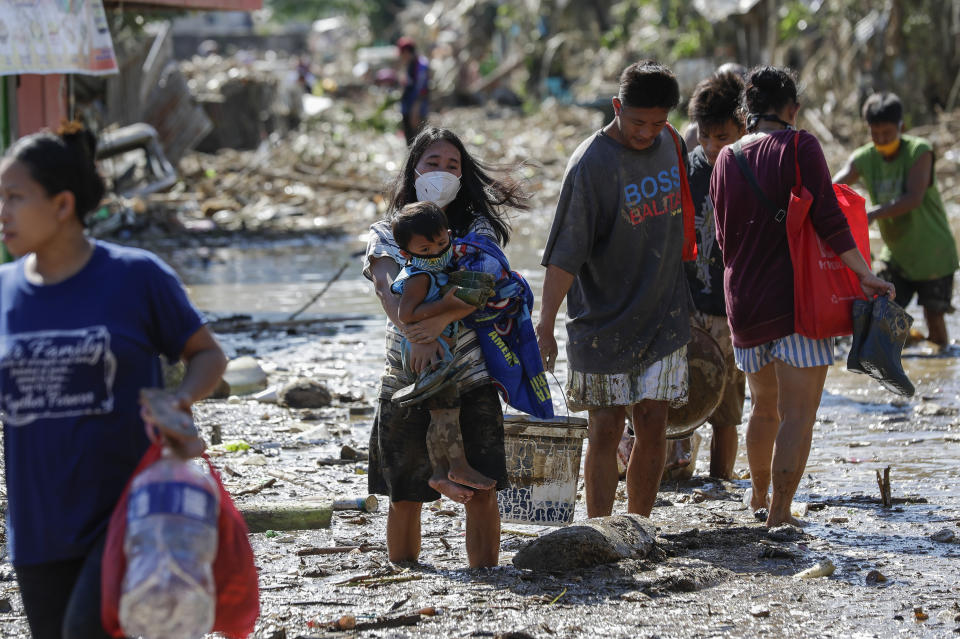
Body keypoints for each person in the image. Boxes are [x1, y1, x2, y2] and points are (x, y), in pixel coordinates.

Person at [0, 125, 227, 638]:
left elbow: (207, 354)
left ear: (62, 205)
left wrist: (179, 398)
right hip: (37, 527)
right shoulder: (5, 292)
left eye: (15, 197)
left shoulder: (134, 277)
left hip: (130, 514)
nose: (3, 212)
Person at [710, 67, 894, 527]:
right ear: (791, 108)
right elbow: (830, 220)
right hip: (796, 304)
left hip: (743, 304)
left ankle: (756, 496)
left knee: (763, 407)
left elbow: (722, 238)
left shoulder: (725, 158)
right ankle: (778, 513)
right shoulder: (799, 145)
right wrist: (865, 275)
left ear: (747, 111)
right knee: (799, 414)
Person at [537, 60, 696, 518]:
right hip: (601, 322)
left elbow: (684, 226)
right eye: (637, 122)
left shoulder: (673, 143)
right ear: (616, 107)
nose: (648, 132)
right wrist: (545, 324)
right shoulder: (590, 164)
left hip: (664, 315)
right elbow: (564, 254)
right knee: (604, 429)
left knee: (654, 425)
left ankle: (639, 527)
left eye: (658, 122)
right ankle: (601, 529)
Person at [363, 126, 527, 568]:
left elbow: (484, 285)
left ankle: (487, 574)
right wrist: (419, 332)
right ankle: (403, 571)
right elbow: (385, 288)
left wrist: (430, 326)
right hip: (404, 377)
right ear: (413, 170)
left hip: (471, 373)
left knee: (482, 483)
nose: (441, 172)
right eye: (432, 163)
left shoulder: (475, 232)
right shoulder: (386, 231)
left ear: (463, 175)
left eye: (452, 165)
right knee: (404, 490)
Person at [667, 69, 749, 481]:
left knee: (727, 410)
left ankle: (720, 481)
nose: (713, 147)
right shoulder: (687, 165)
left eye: (723, 138)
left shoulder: (752, 170)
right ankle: (676, 471)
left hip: (731, 311)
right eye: (705, 136)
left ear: (743, 127)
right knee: (675, 400)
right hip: (688, 304)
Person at [389, 201, 497, 498]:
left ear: (449, 234)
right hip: (427, 354)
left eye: (441, 243)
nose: (436, 253)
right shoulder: (420, 276)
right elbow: (406, 314)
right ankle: (455, 467)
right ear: (406, 254)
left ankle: (441, 473)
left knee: (442, 412)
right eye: (425, 251)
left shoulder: (438, 268)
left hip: (436, 353)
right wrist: (447, 304)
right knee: (446, 413)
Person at [833, 92, 958, 348]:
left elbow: (913, 198)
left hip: (933, 254)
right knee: (877, 311)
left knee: (936, 327)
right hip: (897, 255)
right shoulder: (864, 157)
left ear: (902, 127)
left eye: (888, 134)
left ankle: (937, 372)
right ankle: (908, 344)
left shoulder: (919, 151)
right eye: (875, 134)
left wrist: (872, 213)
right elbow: (833, 187)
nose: (881, 140)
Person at [397, 37, 430, 145]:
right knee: (410, 141)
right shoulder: (409, 64)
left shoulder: (421, 65)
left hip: (416, 109)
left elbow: (422, 89)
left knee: (419, 141)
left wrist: (415, 110)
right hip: (407, 107)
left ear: (406, 52)